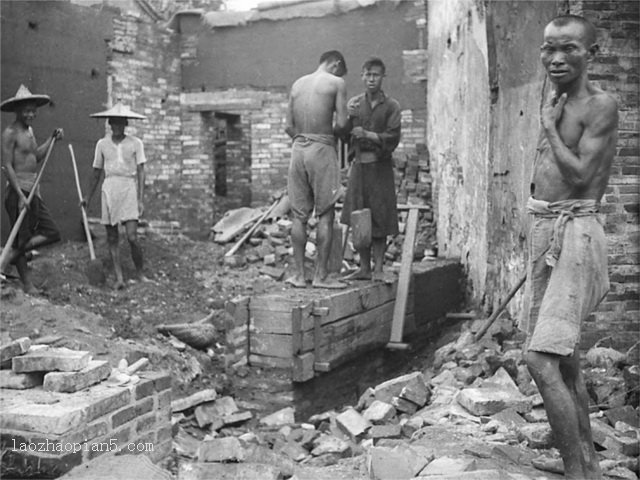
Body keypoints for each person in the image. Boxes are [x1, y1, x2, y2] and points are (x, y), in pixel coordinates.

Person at [520, 15, 618, 479]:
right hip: (546, 229)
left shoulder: (600, 105)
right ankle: (589, 464)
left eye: (569, 49)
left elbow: (579, 174)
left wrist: (548, 127)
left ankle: (576, 472)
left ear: (591, 54)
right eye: (549, 49)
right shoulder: (556, 97)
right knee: (567, 359)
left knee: (540, 360)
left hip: (575, 234)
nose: (556, 58)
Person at [285, 50, 349, 289]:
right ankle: (321, 277)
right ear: (336, 64)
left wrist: (304, 139)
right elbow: (341, 124)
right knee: (326, 212)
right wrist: (331, 134)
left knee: (299, 216)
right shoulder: (336, 82)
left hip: (298, 149)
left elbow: (288, 126)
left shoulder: (298, 84)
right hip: (321, 147)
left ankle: (300, 276)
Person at [340, 57, 401, 282]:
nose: (371, 79)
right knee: (359, 216)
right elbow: (343, 135)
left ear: (383, 77)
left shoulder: (392, 106)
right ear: (362, 76)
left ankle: (378, 269)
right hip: (359, 168)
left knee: (380, 216)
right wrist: (346, 116)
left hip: (380, 167)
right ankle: (364, 268)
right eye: (368, 74)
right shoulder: (356, 105)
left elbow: (393, 137)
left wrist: (367, 135)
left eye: (376, 75)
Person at [0, 85, 64, 294]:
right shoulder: (10, 133)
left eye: (32, 110)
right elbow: (7, 165)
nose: (30, 114)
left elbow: (35, 156)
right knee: (22, 238)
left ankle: (7, 256)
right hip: (18, 191)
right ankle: (27, 284)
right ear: (17, 111)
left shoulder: (30, 131)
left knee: (51, 232)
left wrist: (52, 139)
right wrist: (19, 195)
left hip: (33, 188)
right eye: (25, 110)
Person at [84, 103, 149, 290]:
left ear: (126, 124)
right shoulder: (102, 144)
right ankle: (119, 277)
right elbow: (96, 172)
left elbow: (141, 171)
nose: (117, 126)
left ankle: (140, 273)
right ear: (110, 124)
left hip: (128, 186)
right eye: (114, 123)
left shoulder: (135, 143)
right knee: (112, 237)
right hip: (110, 188)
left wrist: (140, 199)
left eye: (121, 123)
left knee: (132, 236)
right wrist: (88, 197)